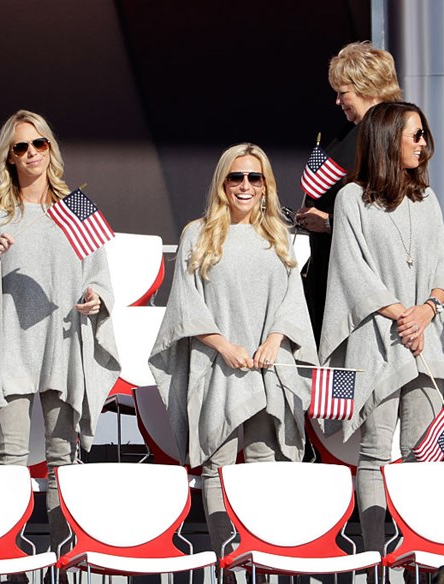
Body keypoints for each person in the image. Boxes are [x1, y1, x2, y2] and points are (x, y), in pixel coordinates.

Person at [0, 110, 120, 570]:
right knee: (9, 458)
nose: (31, 154)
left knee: (62, 460)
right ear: (8, 157)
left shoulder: (77, 207)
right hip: (10, 343)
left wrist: (95, 298)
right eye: (20, 147)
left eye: (39, 144)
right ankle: (8, 563)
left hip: (62, 342)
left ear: (51, 148)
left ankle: (66, 561)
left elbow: (100, 276)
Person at [149, 143, 317, 563]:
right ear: (223, 183)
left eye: (254, 178)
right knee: (217, 462)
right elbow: (185, 304)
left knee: (264, 459)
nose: (245, 185)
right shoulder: (198, 233)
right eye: (236, 177)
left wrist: (276, 340)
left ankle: (259, 555)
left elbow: (292, 301)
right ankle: (227, 560)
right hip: (217, 363)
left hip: (267, 365)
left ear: (265, 186)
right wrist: (223, 345)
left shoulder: (278, 237)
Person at [318, 102, 444, 565]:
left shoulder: (428, 199)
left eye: (423, 133)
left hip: (425, 337)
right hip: (377, 340)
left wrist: (426, 311)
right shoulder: (349, 199)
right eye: (414, 134)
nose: (423, 143)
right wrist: (404, 315)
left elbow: (442, 264)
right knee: (376, 449)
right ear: (386, 139)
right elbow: (352, 271)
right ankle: (378, 556)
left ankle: (423, 551)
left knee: (426, 450)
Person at [296, 41, 402, 341]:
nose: (337, 102)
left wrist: (329, 223)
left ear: (367, 87)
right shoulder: (351, 132)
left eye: (343, 93)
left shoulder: (386, 136)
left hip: (361, 287)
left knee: (351, 370)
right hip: (328, 271)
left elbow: (389, 218)